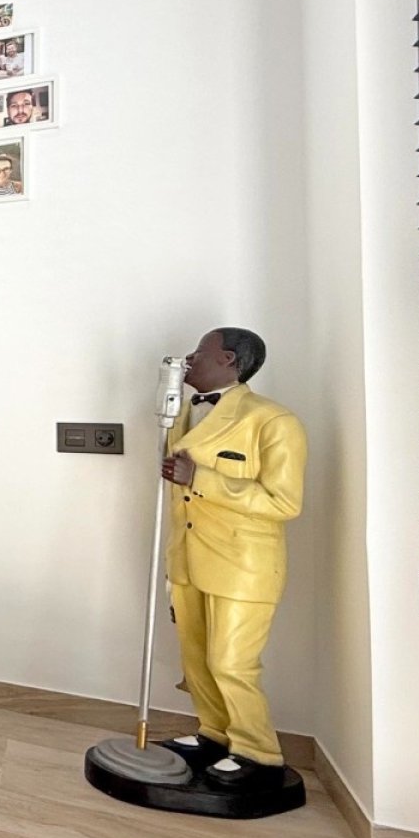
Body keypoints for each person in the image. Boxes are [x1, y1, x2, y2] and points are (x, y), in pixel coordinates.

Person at [159, 328, 307, 790]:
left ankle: (258, 753)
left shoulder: (273, 420)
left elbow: (284, 502)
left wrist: (201, 477)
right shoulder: (182, 413)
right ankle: (215, 734)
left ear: (227, 359)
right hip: (188, 558)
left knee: (231, 662)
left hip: (243, 565)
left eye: (199, 352)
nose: (189, 359)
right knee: (196, 659)